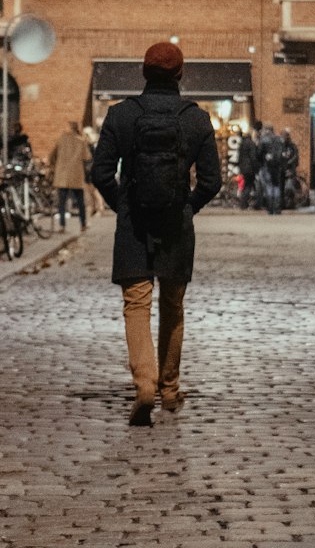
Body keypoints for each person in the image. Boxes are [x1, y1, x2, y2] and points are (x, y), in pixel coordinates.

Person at [91, 41, 221, 426]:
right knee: (173, 306)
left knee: (137, 304)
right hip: (176, 225)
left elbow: (100, 173)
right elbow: (212, 181)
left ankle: (144, 383)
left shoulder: (121, 115)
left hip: (134, 224)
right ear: (180, 75)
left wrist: (123, 206)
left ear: (144, 73)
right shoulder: (196, 119)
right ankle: (169, 388)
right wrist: (187, 207)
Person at [48, 121, 91, 232]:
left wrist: (54, 166)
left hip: (62, 174)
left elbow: (51, 156)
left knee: (61, 203)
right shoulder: (81, 141)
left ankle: (62, 226)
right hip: (76, 175)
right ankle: (83, 225)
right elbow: (87, 157)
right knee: (80, 202)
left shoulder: (61, 139)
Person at [257, 124, 283, 215]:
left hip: (266, 166)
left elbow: (259, 153)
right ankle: (277, 208)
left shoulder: (264, 140)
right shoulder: (279, 139)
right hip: (277, 167)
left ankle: (270, 208)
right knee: (276, 187)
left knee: (269, 186)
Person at [237, 123, 260, 210]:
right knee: (248, 185)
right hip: (250, 168)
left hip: (244, 168)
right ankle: (244, 204)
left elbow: (239, 157)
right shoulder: (251, 144)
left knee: (247, 185)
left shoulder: (242, 144)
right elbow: (253, 157)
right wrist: (256, 167)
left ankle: (244, 203)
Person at [281, 128, 300, 209]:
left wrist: (290, 162)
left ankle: (291, 204)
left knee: (289, 188)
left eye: (285, 136)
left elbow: (296, 156)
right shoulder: (280, 145)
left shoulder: (292, 146)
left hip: (290, 170)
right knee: (282, 188)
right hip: (282, 170)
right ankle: (283, 204)